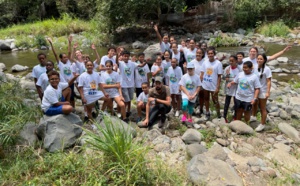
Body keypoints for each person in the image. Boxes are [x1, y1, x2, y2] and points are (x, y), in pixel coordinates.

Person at [47, 36, 76, 107]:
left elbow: (69, 52)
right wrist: (51, 44)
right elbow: (55, 55)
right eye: (64, 57)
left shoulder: (69, 62)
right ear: (61, 59)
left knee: (72, 96)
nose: (66, 58)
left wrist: (69, 42)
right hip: (64, 83)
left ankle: (73, 108)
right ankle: (66, 107)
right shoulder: (60, 64)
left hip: (71, 82)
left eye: (66, 57)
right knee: (66, 95)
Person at [119, 50, 147, 117]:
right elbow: (116, 62)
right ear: (122, 57)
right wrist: (117, 54)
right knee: (126, 100)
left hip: (131, 85)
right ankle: (124, 112)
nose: (126, 57)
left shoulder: (132, 63)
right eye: (124, 56)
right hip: (124, 85)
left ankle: (128, 111)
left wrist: (146, 61)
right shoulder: (120, 63)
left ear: (129, 57)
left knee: (130, 99)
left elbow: (141, 65)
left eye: (127, 56)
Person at [200, 49, 223, 120]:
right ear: (207, 55)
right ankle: (207, 112)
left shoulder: (218, 63)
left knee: (215, 100)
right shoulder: (205, 62)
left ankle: (218, 114)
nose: (210, 55)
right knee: (206, 99)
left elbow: (219, 76)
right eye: (209, 53)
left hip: (213, 85)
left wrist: (218, 87)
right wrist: (201, 82)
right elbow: (202, 73)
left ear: (214, 54)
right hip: (206, 84)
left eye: (211, 53)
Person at [251, 54, 272, 132]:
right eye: (258, 59)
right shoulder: (254, 67)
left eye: (261, 59)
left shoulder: (267, 69)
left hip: (263, 90)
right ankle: (253, 116)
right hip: (255, 89)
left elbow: (269, 81)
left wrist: (268, 92)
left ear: (264, 60)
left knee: (262, 108)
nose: (259, 60)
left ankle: (262, 124)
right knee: (254, 103)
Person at [223, 55, 242, 123]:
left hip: (236, 88)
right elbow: (225, 78)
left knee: (236, 103)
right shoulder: (227, 68)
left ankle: (235, 116)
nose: (231, 62)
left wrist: (233, 82)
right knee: (227, 103)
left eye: (232, 61)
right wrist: (227, 74)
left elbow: (241, 78)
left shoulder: (239, 69)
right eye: (230, 61)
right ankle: (224, 117)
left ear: (236, 61)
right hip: (229, 88)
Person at [191, 48, 205, 116]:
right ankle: (192, 110)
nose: (198, 54)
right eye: (197, 53)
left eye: (200, 53)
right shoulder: (192, 62)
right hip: (194, 81)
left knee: (201, 96)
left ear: (202, 54)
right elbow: (189, 72)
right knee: (193, 96)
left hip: (202, 82)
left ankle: (201, 109)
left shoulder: (205, 62)